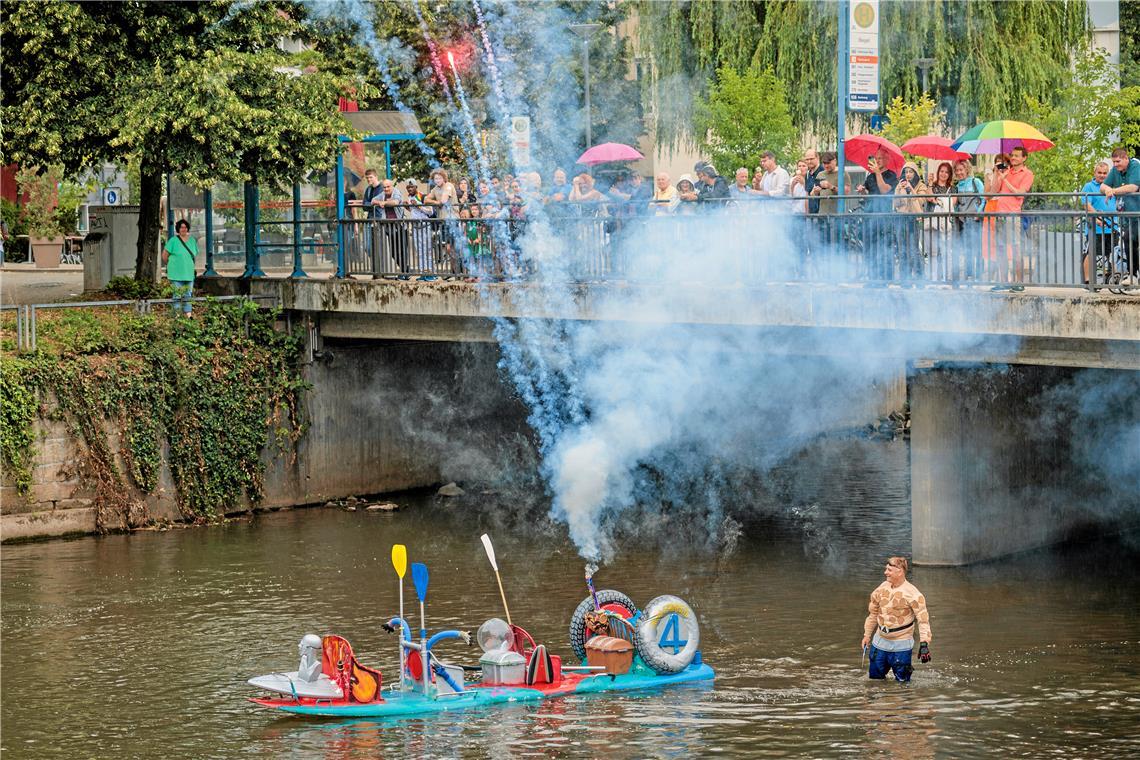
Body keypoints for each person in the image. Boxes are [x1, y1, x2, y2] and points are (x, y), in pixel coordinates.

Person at [860, 556, 933, 683]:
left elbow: (923, 620)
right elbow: (873, 614)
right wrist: (867, 635)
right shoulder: (882, 588)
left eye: (889, 570)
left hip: (901, 643)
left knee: (903, 683)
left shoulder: (913, 594)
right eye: (886, 569)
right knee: (874, 681)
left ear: (899, 571)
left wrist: (924, 643)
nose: (885, 572)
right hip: (880, 641)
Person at [983, 146, 1034, 290]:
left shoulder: (1027, 174)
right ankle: (1003, 281)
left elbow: (1020, 194)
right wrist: (996, 174)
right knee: (1000, 249)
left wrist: (1005, 180)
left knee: (1016, 248)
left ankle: (1018, 283)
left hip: (1013, 214)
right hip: (999, 213)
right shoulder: (1007, 171)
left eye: (1017, 156)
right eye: (1012, 155)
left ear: (1024, 158)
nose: (1013, 158)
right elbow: (993, 192)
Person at [856, 147, 900, 282]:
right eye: (876, 158)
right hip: (870, 216)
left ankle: (886, 278)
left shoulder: (892, 175)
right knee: (870, 248)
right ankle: (872, 277)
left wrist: (877, 173)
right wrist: (862, 190)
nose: (877, 161)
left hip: (885, 217)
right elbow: (867, 195)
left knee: (885, 248)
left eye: (880, 158)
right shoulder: (869, 177)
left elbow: (884, 190)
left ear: (887, 160)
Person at [1102, 146, 1140, 281]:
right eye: (1114, 162)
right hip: (1127, 216)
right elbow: (1102, 186)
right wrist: (1108, 189)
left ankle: (1134, 274)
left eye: (1118, 161)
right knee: (1129, 241)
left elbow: (1133, 187)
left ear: (1126, 158)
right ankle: (1133, 275)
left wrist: (1113, 190)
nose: (1115, 165)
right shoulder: (1115, 170)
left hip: (1138, 213)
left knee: (1132, 241)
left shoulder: (1135, 166)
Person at [1082, 161, 1117, 284]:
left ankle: (1113, 278)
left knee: (1114, 253)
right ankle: (1088, 281)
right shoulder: (1088, 186)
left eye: (1105, 173)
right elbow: (1086, 204)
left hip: (1112, 226)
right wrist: (1097, 218)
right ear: (1094, 173)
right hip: (1095, 227)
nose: (1102, 175)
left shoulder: (1112, 186)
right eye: (1100, 173)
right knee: (1091, 252)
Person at [893, 163, 929, 281]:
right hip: (901, 220)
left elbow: (920, 202)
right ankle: (905, 279)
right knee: (902, 250)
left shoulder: (922, 186)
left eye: (911, 171)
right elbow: (896, 204)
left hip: (913, 220)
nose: (908, 174)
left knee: (914, 250)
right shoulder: (900, 185)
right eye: (906, 172)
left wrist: (910, 189)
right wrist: (899, 190)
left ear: (916, 173)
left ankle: (920, 279)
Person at [951, 160, 985, 281]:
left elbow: (983, 198)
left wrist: (978, 213)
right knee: (966, 249)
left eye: (961, 170)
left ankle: (979, 275)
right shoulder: (957, 186)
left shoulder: (976, 182)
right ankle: (969, 274)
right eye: (957, 170)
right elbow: (957, 204)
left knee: (977, 248)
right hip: (962, 221)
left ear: (967, 170)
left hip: (975, 220)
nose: (959, 172)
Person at [162, 219, 197, 317]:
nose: (183, 229)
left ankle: (188, 315)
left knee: (188, 295)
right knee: (176, 295)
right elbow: (164, 256)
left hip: (188, 273)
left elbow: (193, 256)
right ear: (178, 228)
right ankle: (176, 316)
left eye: (185, 227)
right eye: (181, 227)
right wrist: (172, 265)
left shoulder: (192, 240)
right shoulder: (173, 240)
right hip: (175, 274)